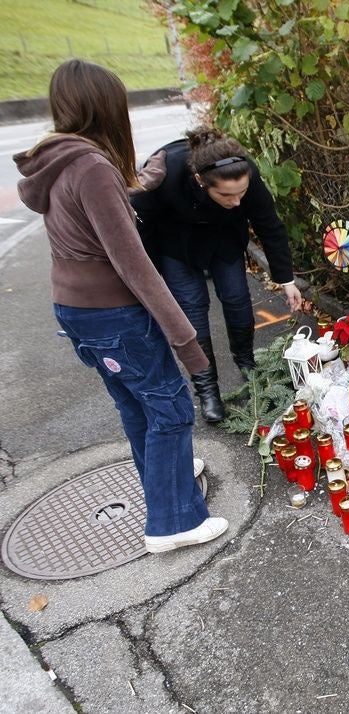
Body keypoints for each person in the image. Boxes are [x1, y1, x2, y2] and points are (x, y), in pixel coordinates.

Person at [14, 59, 228, 554]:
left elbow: (94, 212)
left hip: (74, 310)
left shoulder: (57, 160)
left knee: (133, 401)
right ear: (107, 109)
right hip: (114, 314)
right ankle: (174, 522)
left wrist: (139, 180)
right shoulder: (92, 168)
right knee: (170, 408)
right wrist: (187, 340)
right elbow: (135, 267)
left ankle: (166, 476)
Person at [132, 130, 302, 422]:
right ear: (200, 180)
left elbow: (269, 226)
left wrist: (286, 280)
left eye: (242, 193)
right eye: (226, 194)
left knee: (237, 299)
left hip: (225, 238)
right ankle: (207, 388)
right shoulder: (166, 175)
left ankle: (247, 364)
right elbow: (142, 226)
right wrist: (152, 275)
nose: (237, 201)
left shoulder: (245, 173)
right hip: (177, 244)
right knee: (193, 311)